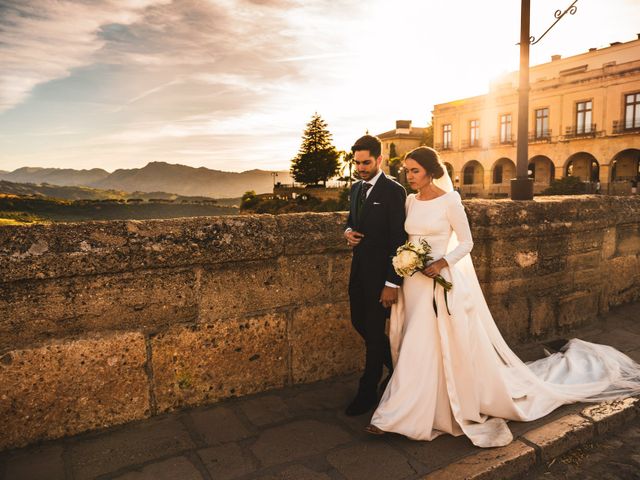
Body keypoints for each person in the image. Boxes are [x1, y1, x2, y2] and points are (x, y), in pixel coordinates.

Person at [365, 146, 640, 447]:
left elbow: (466, 243)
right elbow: (405, 237)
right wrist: (400, 257)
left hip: (440, 281)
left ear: (431, 172)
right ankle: (416, 408)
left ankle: (396, 415)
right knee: (417, 343)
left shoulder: (450, 200)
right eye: (406, 170)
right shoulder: (410, 201)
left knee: (425, 342)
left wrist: (442, 263)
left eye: (414, 170)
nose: (409, 175)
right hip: (414, 284)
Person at [344, 135, 407, 416]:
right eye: (357, 163)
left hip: (382, 276)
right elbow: (351, 221)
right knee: (358, 322)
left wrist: (392, 283)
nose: (360, 168)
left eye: (366, 162)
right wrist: (347, 233)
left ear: (379, 159)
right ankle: (396, 367)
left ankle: (367, 392)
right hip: (358, 271)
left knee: (372, 333)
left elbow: (399, 239)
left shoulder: (394, 191)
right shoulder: (356, 188)